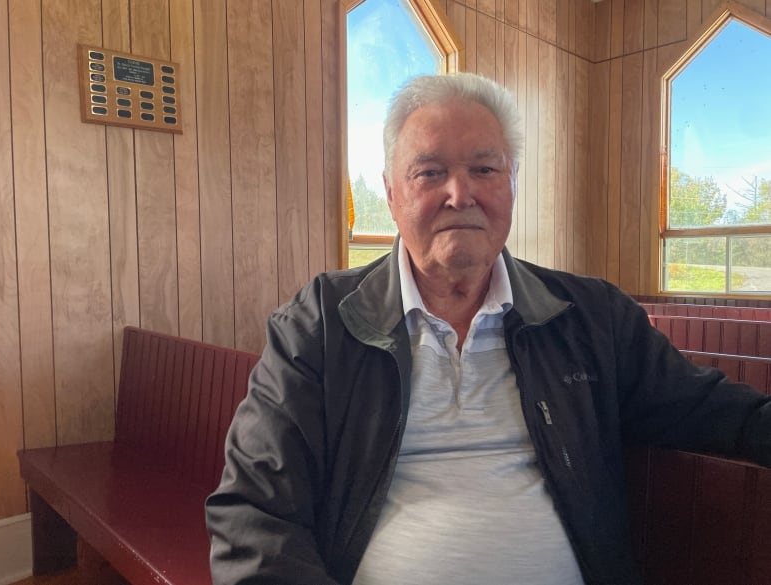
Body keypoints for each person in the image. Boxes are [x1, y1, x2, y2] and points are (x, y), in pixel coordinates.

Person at [205, 72, 771, 585]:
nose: (460, 193)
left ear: (512, 183)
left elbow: (714, 410)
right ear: (392, 192)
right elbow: (254, 513)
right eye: (430, 172)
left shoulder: (590, 316)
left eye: (484, 168)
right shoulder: (321, 323)